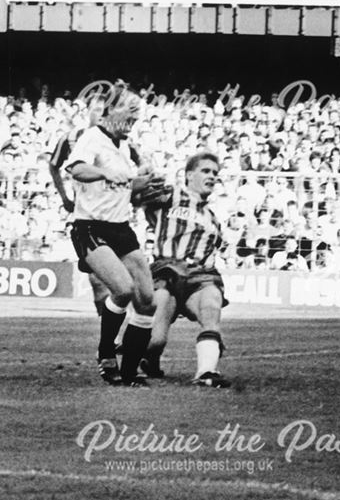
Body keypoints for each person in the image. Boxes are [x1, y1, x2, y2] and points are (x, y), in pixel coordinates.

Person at [65, 84, 158, 386]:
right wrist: (104, 173)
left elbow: (126, 188)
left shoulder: (124, 146)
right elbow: (76, 169)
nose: (135, 114)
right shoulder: (92, 137)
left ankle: (130, 371)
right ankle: (106, 354)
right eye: (130, 108)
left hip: (121, 227)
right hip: (90, 227)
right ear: (110, 109)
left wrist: (149, 186)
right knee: (123, 288)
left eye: (137, 111)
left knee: (147, 298)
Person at [140, 152, 231, 388]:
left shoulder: (213, 220)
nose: (212, 176)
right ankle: (148, 359)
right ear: (189, 175)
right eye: (206, 171)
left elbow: (213, 255)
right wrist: (144, 176)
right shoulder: (170, 195)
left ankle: (206, 371)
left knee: (211, 307)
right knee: (155, 340)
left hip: (199, 276)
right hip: (165, 271)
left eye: (215, 173)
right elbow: (137, 198)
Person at [48, 99, 113, 315]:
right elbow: (54, 166)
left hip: (115, 214)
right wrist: (65, 198)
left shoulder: (117, 139)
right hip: (86, 216)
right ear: (87, 113)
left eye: (105, 111)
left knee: (126, 280)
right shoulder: (70, 137)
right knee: (96, 277)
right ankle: (108, 334)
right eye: (97, 110)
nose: (101, 114)